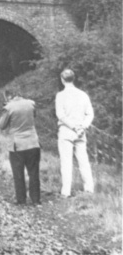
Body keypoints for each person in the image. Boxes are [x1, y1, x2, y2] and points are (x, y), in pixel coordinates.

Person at [56, 69, 94, 197]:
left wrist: (74, 127)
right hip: (81, 132)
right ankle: (89, 189)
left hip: (66, 130)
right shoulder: (83, 95)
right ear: (74, 78)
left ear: (62, 79)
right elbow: (90, 114)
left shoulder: (60, 95)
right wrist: (82, 127)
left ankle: (66, 191)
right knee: (84, 161)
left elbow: (60, 115)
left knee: (66, 161)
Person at [0, 88, 41, 205]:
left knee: (18, 173)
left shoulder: (9, 108)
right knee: (34, 172)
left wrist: (5, 110)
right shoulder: (31, 104)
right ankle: (36, 199)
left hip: (17, 145)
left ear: (8, 97)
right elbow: (33, 116)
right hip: (33, 142)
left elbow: (2, 125)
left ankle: (21, 200)